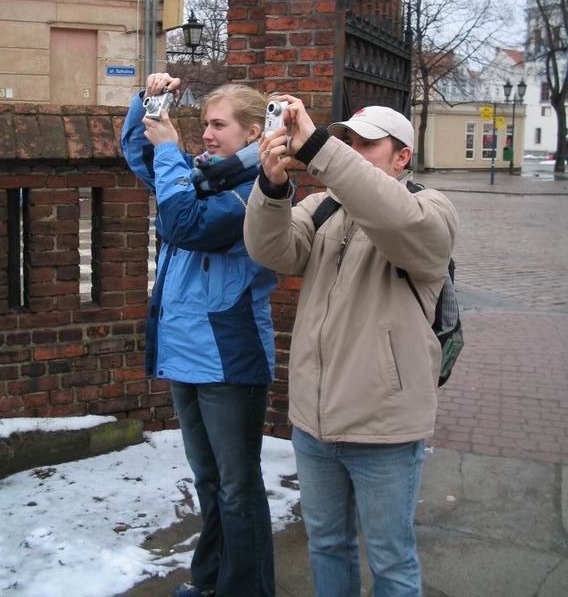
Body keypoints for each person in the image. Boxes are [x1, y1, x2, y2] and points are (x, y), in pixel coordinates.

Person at [244, 99, 458, 597]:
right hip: (314, 422)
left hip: (383, 427)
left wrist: (321, 148)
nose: (352, 150)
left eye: (366, 143)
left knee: (391, 561)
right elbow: (270, 250)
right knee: (326, 545)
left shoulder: (431, 209)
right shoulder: (324, 208)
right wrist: (271, 188)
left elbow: (397, 221)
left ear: (402, 157)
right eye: (348, 141)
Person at [121, 73, 277, 597]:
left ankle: (246, 589)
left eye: (218, 125)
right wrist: (150, 103)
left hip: (229, 361)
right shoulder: (203, 176)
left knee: (237, 488)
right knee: (211, 482)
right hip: (187, 355)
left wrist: (171, 153)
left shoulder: (255, 192)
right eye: (205, 123)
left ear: (253, 133)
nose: (206, 134)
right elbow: (139, 155)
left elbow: (185, 224)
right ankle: (211, 580)